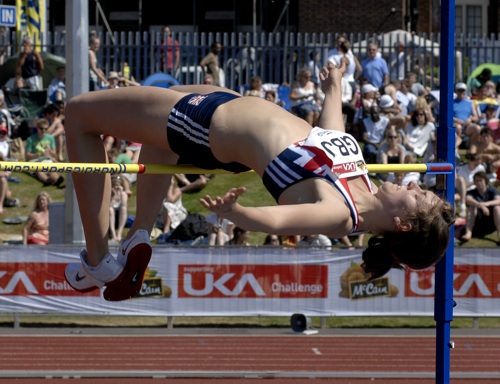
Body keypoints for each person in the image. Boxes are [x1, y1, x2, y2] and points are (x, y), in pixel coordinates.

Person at [63, 61, 453, 302]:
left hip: (210, 127)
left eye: (420, 198)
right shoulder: (362, 184)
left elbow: (279, 223)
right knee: (157, 128)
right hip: (226, 106)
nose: (416, 186)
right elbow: (329, 134)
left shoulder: (340, 214)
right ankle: (138, 236)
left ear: (403, 223)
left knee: (79, 115)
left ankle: (98, 261)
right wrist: (333, 88)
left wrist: (238, 212)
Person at [460, 171, 500, 244]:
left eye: (481, 180)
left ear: (485, 180)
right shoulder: (471, 192)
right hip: (477, 221)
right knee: (472, 208)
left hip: (492, 220)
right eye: (476, 181)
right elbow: (468, 200)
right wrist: (480, 206)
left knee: (497, 208)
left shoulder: (492, 190)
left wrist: (486, 204)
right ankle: (468, 233)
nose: (479, 182)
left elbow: (498, 200)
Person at [25, 118, 65, 187]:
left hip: (46, 159)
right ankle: (47, 180)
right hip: (35, 160)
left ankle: (57, 180)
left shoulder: (50, 138)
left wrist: (49, 151)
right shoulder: (30, 139)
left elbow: (53, 154)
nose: (43, 131)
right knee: (38, 169)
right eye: (41, 128)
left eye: (46, 129)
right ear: (37, 128)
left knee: (51, 169)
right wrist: (38, 154)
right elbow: (27, 155)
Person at [109, 175, 129, 242]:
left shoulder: (123, 194)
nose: (116, 187)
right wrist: (114, 196)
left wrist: (121, 194)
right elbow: (109, 206)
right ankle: (113, 235)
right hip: (110, 215)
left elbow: (124, 205)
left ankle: (119, 234)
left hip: (120, 215)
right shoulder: (109, 193)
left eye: (118, 184)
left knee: (124, 209)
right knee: (110, 210)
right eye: (114, 185)